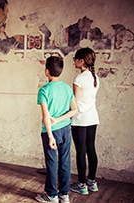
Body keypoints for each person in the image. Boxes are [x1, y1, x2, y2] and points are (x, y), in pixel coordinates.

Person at [36, 56, 78, 203]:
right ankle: (64, 195)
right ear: (60, 71)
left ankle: (52, 195)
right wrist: (60, 120)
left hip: (51, 131)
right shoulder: (67, 88)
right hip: (66, 129)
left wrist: (50, 136)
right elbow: (74, 110)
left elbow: (46, 117)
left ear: (46, 71)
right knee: (65, 161)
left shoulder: (44, 91)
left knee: (52, 163)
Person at [70, 47, 100, 195]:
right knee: (91, 149)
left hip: (80, 119)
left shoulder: (79, 79)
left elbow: (74, 102)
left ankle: (81, 184)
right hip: (93, 118)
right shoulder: (95, 78)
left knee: (81, 151)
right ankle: (92, 182)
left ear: (81, 61)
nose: (74, 61)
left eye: (75, 59)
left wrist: (67, 114)